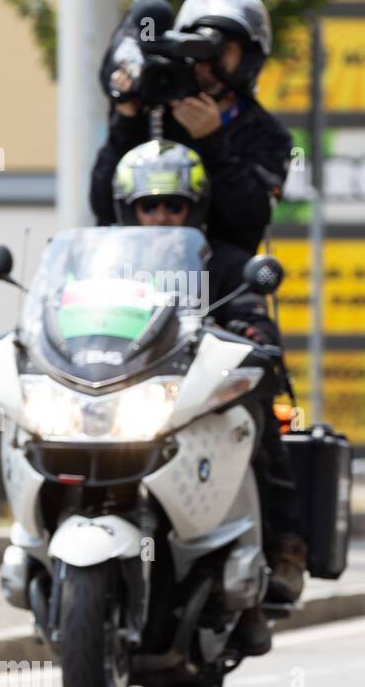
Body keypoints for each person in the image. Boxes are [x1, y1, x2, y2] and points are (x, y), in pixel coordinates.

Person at [112, 139, 305, 655]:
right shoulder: (107, 263)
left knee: (257, 425)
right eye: (147, 206)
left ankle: (276, 556)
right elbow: (66, 310)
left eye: (172, 205)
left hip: (198, 393)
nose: (160, 216)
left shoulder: (221, 260)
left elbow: (251, 310)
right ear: (128, 210)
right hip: (123, 394)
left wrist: (253, 333)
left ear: (193, 206)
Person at [89, 0, 291, 257]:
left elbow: (250, 221)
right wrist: (126, 118)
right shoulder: (156, 107)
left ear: (250, 55)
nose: (208, 65)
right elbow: (104, 205)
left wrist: (213, 140)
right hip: (137, 271)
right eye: (199, 51)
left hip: (219, 285)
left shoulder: (268, 135)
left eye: (221, 51)